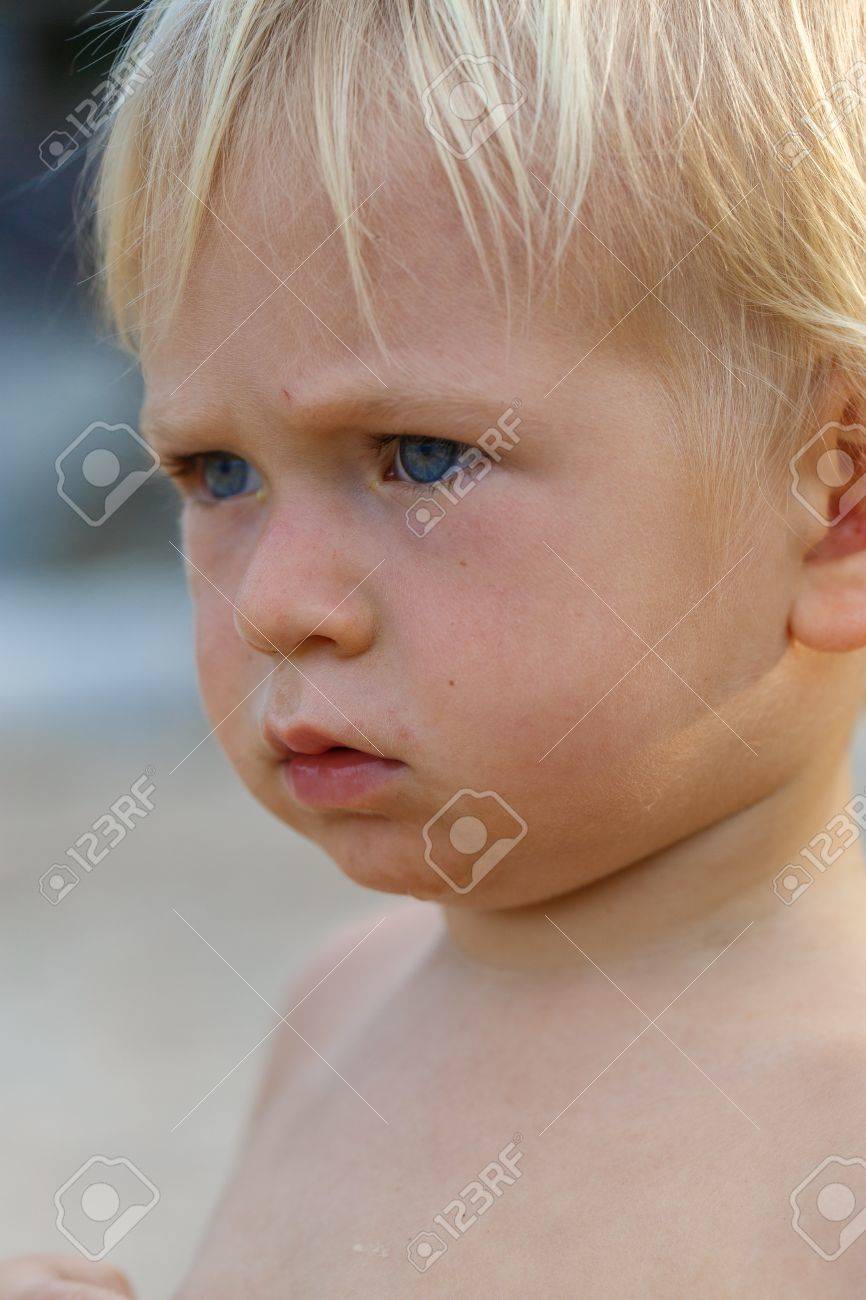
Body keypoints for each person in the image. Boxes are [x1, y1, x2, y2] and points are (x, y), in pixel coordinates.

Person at [8, 0, 866, 1293]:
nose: (278, 602)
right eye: (217, 472)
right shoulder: (337, 1015)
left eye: (421, 457)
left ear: (832, 502)